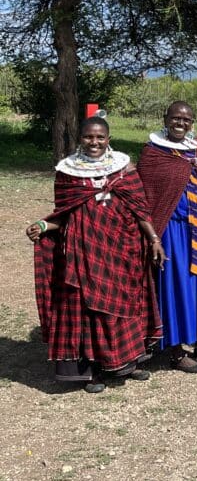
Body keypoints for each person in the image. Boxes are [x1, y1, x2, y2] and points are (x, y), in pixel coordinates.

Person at [27, 116, 163, 393]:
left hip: (124, 251)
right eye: (89, 137)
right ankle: (93, 371)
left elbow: (140, 209)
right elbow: (63, 215)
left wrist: (154, 239)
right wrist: (42, 225)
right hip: (84, 254)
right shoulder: (67, 174)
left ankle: (127, 362)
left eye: (100, 137)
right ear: (81, 138)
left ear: (108, 139)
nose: (94, 142)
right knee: (90, 312)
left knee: (125, 307)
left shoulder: (124, 170)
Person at [137, 101, 197, 373]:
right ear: (166, 119)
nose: (181, 123)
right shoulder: (153, 153)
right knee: (177, 289)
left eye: (186, 120)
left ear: (193, 123)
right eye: (176, 118)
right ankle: (176, 351)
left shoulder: (195, 150)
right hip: (172, 231)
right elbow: (146, 196)